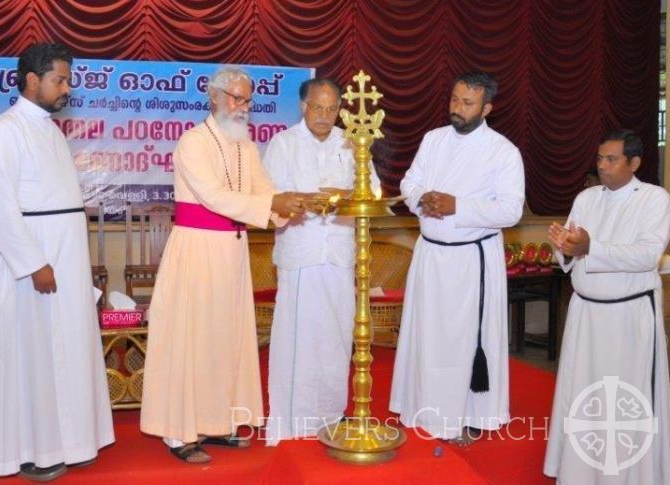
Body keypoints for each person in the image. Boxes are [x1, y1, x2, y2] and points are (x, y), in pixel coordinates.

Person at [139, 66, 317, 463]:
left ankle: (217, 423)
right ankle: (179, 434)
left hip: (232, 252)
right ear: (215, 97)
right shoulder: (192, 142)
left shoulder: (245, 145)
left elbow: (263, 190)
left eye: (248, 100)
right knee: (191, 340)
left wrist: (291, 202)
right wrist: (273, 205)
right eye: (237, 98)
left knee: (224, 339)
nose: (244, 107)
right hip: (196, 252)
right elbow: (213, 196)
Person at [0, 43, 114, 481]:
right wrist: (34, 263)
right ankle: (31, 452)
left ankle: (70, 442)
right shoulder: (4, 131)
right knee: (31, 356)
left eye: (68, 79)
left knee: (68, 350)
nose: (66, 88)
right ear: (32, 80)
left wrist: (74, 261)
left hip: (64, 258)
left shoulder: (51, 130)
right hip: (30, 266)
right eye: (59, 79)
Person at [389, 70, 525, 446]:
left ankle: (467, 416)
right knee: (426, 335)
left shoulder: (503, 151)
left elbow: (511, 210)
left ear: (487, 108)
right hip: (430, 256)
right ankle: (421, 407)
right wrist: (423, 199)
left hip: (471, 262)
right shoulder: (432, 140)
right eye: (454, 99)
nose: (457, 108)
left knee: (462, 341)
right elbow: (408, 181)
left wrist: (456, 206)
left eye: (467, 103)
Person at [544, 130, 670, 484]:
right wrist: (565, 248)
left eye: (611, 159)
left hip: (628, 317)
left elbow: (647, 255)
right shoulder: (586, 198)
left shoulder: (655, 199)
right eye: (599, 158)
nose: (602, 165)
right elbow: (570, 248)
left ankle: (631, 475)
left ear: (634, 163)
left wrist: (589, 247)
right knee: (583, 395)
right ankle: (579, 472)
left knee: (625, 401)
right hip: (585, 313)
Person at [262, 78, 381, 445]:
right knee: (298, 338)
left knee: (336, 338)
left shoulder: (352, 143)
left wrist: (346, 196)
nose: (325, 116)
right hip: (301, 254)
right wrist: (304, 200)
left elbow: (373, 191)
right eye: (318, 108)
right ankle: (294, 420)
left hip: (340, 255)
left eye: (332, 109)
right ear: (303, 107)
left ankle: (331, 414)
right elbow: (270, 195)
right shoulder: (283, 144)